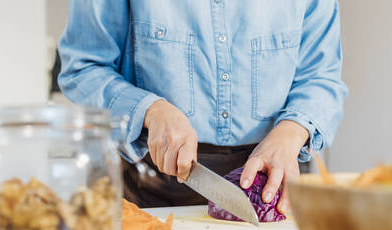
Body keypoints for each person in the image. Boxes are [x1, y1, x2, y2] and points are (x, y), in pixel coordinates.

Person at [58, 0, 347, 213]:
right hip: (154, 189)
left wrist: (290, 133)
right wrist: (151, 110)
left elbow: (322, 77)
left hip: (278, 187)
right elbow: (83, 68)